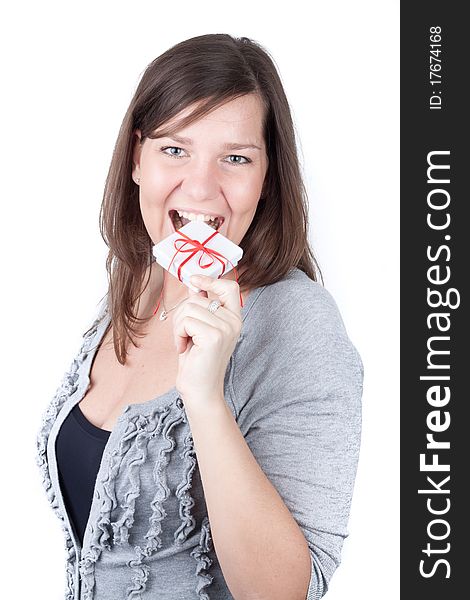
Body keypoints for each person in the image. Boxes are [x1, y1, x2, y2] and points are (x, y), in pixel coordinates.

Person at [36, 33, 364, 600]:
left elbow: (287, 591)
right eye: (174, 149)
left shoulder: (297, 321)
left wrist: (206, 398)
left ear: (266, 179)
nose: (202, 186)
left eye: (235, 158)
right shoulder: (134, 284)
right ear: (137, 158)